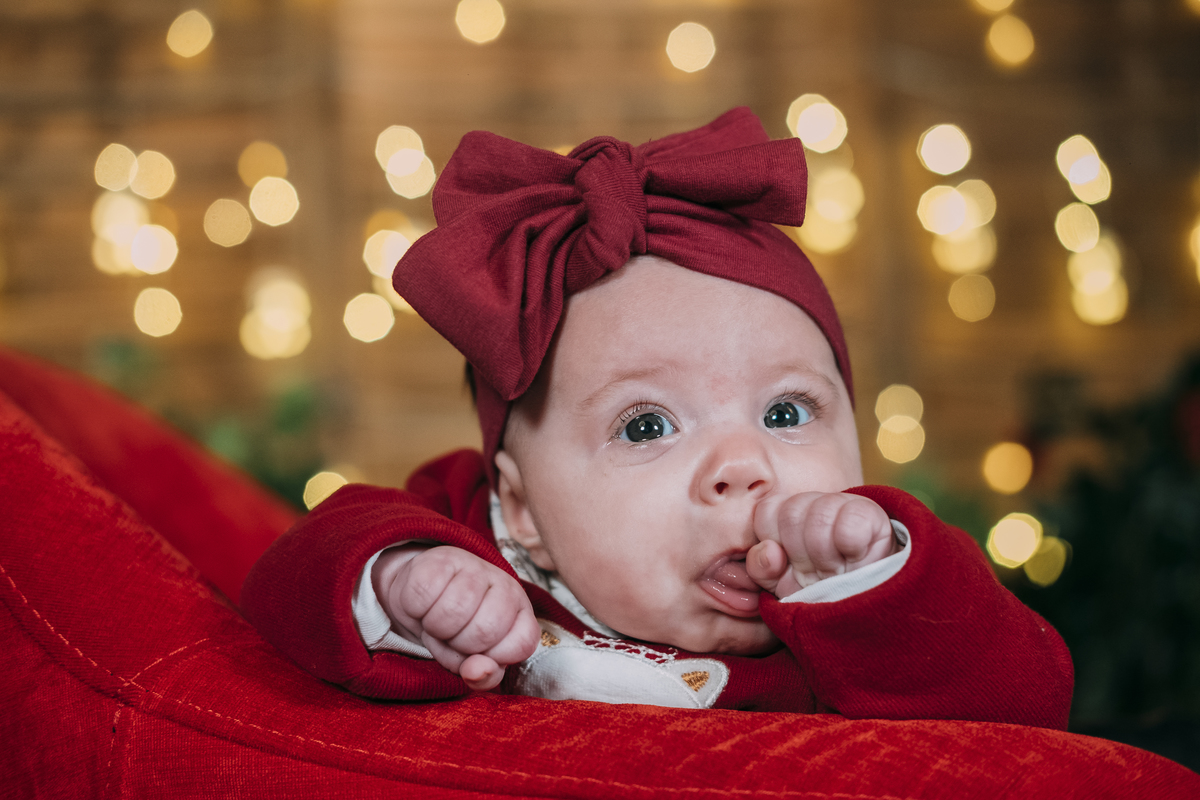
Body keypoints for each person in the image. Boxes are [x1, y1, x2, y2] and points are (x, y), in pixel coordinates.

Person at [241, 108, 1073, 727]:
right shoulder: (471, 541)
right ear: (524, 510)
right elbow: (286, 587)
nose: (744, 464)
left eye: (787, 410)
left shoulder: (863, 596)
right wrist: (408, 581)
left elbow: (1027, 701)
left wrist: (876, 582)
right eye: (646, 426)